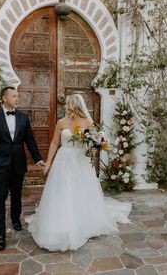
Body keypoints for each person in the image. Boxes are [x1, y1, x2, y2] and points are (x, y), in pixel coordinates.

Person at [26, 93, 132, 252]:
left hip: (80, 161)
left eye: (67, 105)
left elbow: (93, 143)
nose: (65, 107)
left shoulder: (87, 123)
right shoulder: (61, 122)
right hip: (64, 160)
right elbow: (55, 142)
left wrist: (97, 145)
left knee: (81, 190)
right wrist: (48, 162)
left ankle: (83, 222)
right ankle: (61, 224)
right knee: (62, 191)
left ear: (74, 106)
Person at [0, 86, 45, 251]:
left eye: (18, 96)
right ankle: (0, 235)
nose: (18, 99)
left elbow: (30, 140)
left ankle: (16, 220)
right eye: (14, 96)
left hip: (18, 164)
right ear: (5, 98)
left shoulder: (23, 117)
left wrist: (38, 159)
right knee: (0, 198)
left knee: (16, 195)